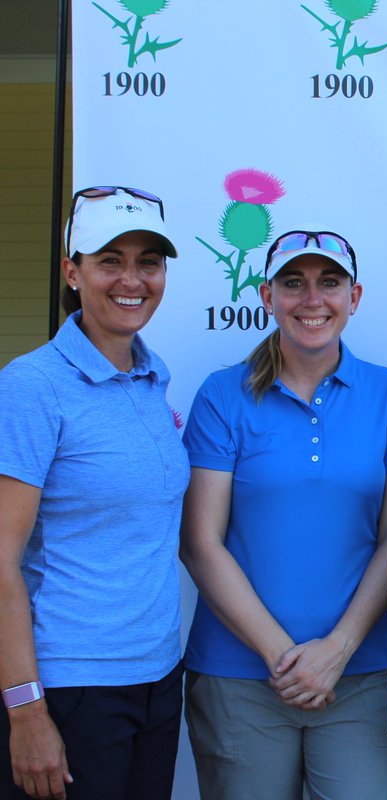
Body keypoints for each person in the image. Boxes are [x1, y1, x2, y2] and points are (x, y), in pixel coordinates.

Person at [179, 229, 387, 799]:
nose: (313, 299)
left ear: (354, 297)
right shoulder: (222, 395)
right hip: (239, 676)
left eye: (329, 282)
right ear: (267, 297)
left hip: (359, 675)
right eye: (294, 283)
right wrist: (284, 658)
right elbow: (200, 542)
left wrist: (335, 651)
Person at [0, 186, 187, 800]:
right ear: (72, 271)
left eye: (149, 262)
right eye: (110, 260)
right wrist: (26, 712)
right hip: (70, 686)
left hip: (158, 675)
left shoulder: (152, 378)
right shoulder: (32, 386)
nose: (132, 279)